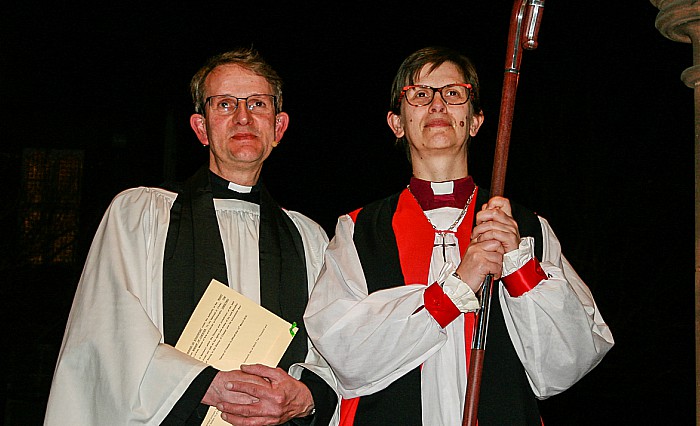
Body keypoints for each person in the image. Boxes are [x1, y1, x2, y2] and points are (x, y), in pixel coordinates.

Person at [303, 46, 614, 425]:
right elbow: (344, 353)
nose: (437, 105)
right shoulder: (357, 231)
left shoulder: (527, 228)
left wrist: (519, 269)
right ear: (396, 123)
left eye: (453, 93)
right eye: (419, 94)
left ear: (476, 120)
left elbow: (566, 365)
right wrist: (455, 289)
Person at [44, 47, 338, 425]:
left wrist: (305, 396)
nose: (244, 117)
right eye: (226, 105)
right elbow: (108, 330)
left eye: (258, 104)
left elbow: (332, 349)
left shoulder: (308, 237)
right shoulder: (141, 215)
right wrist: (200, 384)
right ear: (201, 128)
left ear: (279, 127)